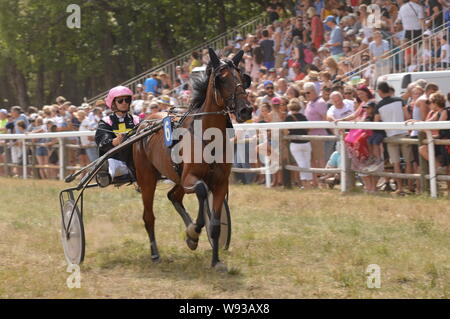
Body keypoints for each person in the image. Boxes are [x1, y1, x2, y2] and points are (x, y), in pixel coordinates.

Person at [95, 86, 140, 187]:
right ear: (113, 103)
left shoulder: (137, 120)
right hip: (116, 159)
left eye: (127, 100)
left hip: (136, 158)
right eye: (120, 100)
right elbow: (102, 143)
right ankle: (106, 173)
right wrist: (115, 141)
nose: (124, 103)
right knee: (112, 163)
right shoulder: (106, 121)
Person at [374, 81, 413, 195]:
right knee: (408, 161)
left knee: (395, 163)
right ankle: (410, 186)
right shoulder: (400, 101)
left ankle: (400, 187)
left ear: (380, 91)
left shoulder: (379, 105)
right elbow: (407, 117)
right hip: (403, 132)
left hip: (390, 135)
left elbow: (376, 122)